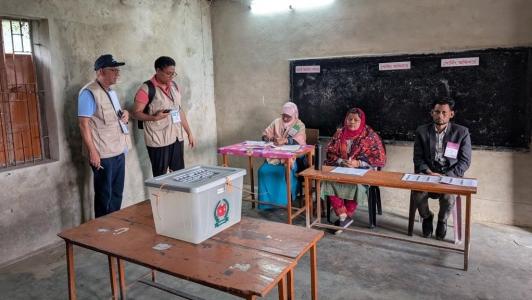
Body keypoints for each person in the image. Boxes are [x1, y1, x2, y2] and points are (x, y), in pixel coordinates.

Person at [78, 54, 131, 218]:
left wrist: (127, 114)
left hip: (118, 150)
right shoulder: (89, 93)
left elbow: (116, 115)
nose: (117, 73)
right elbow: (83, 124)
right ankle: (101, 231)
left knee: (116, 194)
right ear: (101, 71)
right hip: (103, 154)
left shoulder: (110, 92)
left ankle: (113, 228)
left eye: (117, 70)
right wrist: (93, 152)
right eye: (113, 70)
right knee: (104, 196)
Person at [413, 97, 472, 240]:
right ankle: (427, 217)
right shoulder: (422, 131)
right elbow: (418, 158)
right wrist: (428, 171)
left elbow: (465, 161)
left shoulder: (461, 132)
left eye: (444, 113)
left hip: (449, 175)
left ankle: (442, 220)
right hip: (428, 173)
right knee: (418, 191)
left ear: (451, 114)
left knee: (448, 195)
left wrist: (447, 175)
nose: (440, 116)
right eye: (437, 112)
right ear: (432, 113)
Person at [321, 108, 386, 234]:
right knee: (327, 182)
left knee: (356, 185)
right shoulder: (339, 134)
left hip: (362, 172)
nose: (352, 122)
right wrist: (341, 161)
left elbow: (379, 159)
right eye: (349, 119)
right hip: (342, 169)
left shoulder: (370, 136)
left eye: (356, 120)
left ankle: (345, 217)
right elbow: (330, 153)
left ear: (361, 121)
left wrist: (358, 163)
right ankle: (344, 216)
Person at [132, 56, 195, 177]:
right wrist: (154, 118)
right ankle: (161, 197)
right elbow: (136, 113)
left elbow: (179, 110)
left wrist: (189, 132)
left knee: (179, 174)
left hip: (176, 137)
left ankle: (177, 196)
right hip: (158, 140)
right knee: (161, 177)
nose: (171, 77)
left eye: (173, 73)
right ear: (158, 71)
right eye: (168, 73)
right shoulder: (146, 89)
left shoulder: (174, 86)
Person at [257, 102, 306, 209]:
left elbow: (300, 141)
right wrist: (269, 138)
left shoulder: (299, 125)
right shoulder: (276, 122)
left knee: (285, 171)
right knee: (262, 171)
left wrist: (285, 140)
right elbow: (265, 134)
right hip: (274, 158)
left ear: (294, 115)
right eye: (283, 115)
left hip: (291, 159)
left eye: (288, 116)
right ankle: (266, 204)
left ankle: (284, 202)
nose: (285, 118)